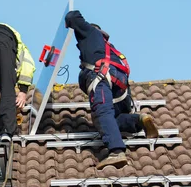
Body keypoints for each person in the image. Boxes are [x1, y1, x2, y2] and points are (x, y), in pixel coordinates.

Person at [65, 10, 159, 169]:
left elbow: (72, 16)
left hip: (102, 77)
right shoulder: (109, 47)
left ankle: (116, 151)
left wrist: (67, 25)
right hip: (121, 87)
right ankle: (138, 120)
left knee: (102, 112)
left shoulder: (89, 32)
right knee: (111, 121)